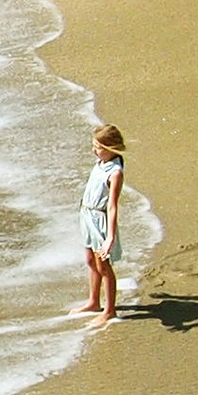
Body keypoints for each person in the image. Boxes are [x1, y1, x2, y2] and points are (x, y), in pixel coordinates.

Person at [79, 123, 128, 319]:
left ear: (110, 148)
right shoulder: (100, 164)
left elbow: (112, 206)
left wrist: (110, 237)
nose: (94, 150)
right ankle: (93, 302)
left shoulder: (115, 172)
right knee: (91, 260)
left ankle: (110, 310)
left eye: (98, 147)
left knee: (103, 266)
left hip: (100, 219)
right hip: (87, 215)